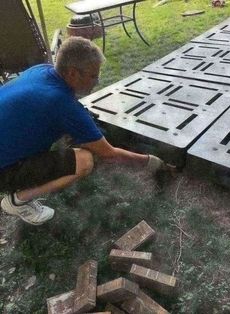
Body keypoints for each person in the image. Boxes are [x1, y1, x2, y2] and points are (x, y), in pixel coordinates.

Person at [0, 37, 174, 226]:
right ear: (73, 73)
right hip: (4, 170)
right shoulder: (61, 104)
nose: (97, 81)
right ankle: (17, 201)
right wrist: (151, 162)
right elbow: (109, 154)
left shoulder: (42, 70)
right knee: (84, 161)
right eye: (93, 76)